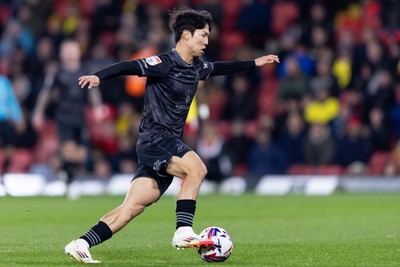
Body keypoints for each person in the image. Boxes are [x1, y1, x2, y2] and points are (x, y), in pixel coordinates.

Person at [64, 9, 279, 264]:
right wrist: (99, 76)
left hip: (162, 146)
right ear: (186, 35)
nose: (207, 41)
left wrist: (253, 63)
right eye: (203, 35)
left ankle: (81, 243)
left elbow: (221, 68)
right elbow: (130, 66)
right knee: (197, 169)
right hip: (155, 140)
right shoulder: (164, 63)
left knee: (131, 208)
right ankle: (183, 231)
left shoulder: (197, 67)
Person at [32, 40, 102, 185]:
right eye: (67, 51)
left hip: (80, 116)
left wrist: (98, 107)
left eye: (72, 50)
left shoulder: (86, 70)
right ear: (62, 54)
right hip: (64, 115)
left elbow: (93, 91)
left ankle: (64, 169)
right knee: (69, 150)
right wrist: (38, 112)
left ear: (78, 52)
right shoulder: (57, 72)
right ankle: (69, 181)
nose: (70, 54)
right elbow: (46, 92)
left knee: (81, 155)